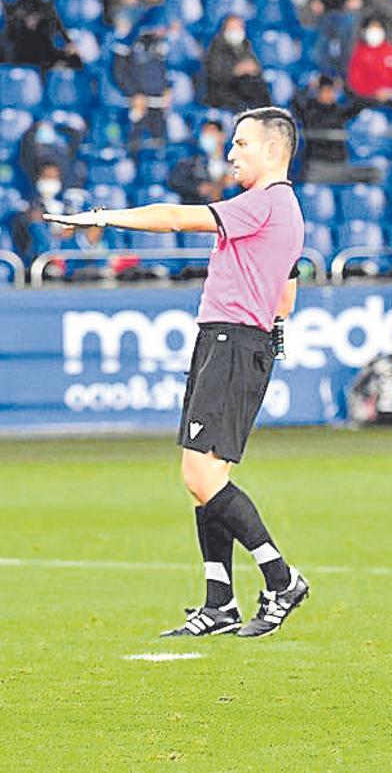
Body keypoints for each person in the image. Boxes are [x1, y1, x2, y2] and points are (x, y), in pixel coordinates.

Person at [45, 107, 310, 639]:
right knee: (204, 480)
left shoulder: (265, 203)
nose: (230, 154)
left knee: (201, 475)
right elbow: (287, 281)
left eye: (240, 144)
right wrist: (276, 321)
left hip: (233, 341)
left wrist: (102, 218)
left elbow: (173, 218)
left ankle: (281, 579)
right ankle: (220, 603)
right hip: (228, 339)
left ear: (272, 150)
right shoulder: (280, 210)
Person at [5, 0, 82, 70]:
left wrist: (69, 45)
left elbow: (61, 33)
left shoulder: (48, 8)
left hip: (45, 58)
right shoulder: (13, 10)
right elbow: (9, 38)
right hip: (19, 59)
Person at [294, 75, 359, 182]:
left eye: (331, 91)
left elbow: (358, 103)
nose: (329, 95)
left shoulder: (339, 111)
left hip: (338, 162)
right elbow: (295, 102)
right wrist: (309, 87)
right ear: (319, 93)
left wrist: (345, 88)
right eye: (325, 91)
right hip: (316, 163)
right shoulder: (309, 111)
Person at [204, 15, 272, 111]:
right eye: (232, 28)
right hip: (224, 90)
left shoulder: (245, 45)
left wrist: (253, 68)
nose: (236, 31)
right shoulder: (216, 47)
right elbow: (215, 73)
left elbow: (256, 65)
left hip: (245, 87)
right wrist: (236, 70)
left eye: (239, 27)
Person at [169, 119, 234, 203]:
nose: (208, 136)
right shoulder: (192, 161)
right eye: (205, 133)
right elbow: (175, 181)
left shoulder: (232, 161)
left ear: (222, 136)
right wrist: (197, 189)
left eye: (212, 132)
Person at [346, 18, 392, 105]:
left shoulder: (390, 51)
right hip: (367, 98)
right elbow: (355, 81)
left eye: (378, 28)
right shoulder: (359, 53)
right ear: (364, 31)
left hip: (390, 98)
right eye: (372, 28)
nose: (375, 31)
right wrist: (374, 92)